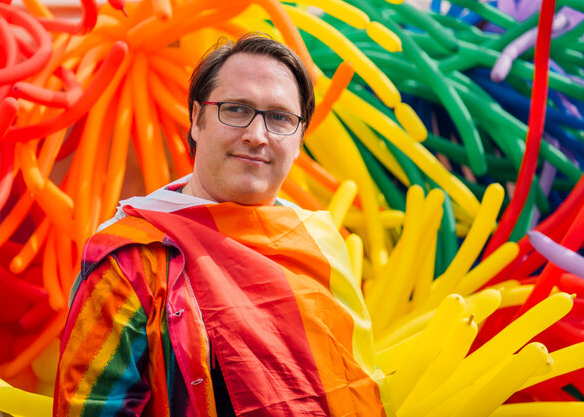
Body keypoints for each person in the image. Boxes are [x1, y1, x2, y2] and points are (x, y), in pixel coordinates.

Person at [54, 33, 388, 417]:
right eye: (236, 109)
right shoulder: (132, 258)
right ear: (197, 119)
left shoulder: (318, 241)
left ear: (299, 141)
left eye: (279, 118)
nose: (257, 136)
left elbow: (356, 386)